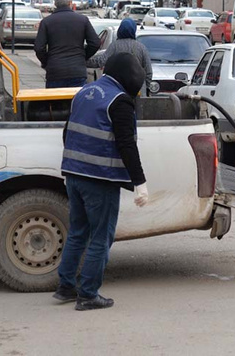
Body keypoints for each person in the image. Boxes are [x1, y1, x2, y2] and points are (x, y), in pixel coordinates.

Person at [54, 52, 148, 311]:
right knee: (100, 237)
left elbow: (67, 132)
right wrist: (140, 182)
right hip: (100, 179)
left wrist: (77, 165)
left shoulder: (84, 92)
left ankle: (65, 287)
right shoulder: (119, 101)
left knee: (78, 232)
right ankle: (88, 294)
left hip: (73, 175)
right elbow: (126, 144)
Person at [34, 0, 100, 88]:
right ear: (70, 3)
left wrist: (47, 62)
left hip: (55, 71)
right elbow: (95, 43)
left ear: (55, 3)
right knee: (76, 102)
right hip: (77, 71)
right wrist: (82, 57)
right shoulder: (82, 20)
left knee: (55, 102)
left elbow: (39, 48)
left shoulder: (46, 22)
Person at [87, 18, 153, 95]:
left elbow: (101, 61)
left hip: (118, 90)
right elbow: (148, 71)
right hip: (138, 90)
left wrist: (82, 60)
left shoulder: (114, 46)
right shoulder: (141, 48)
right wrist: (146, 88)